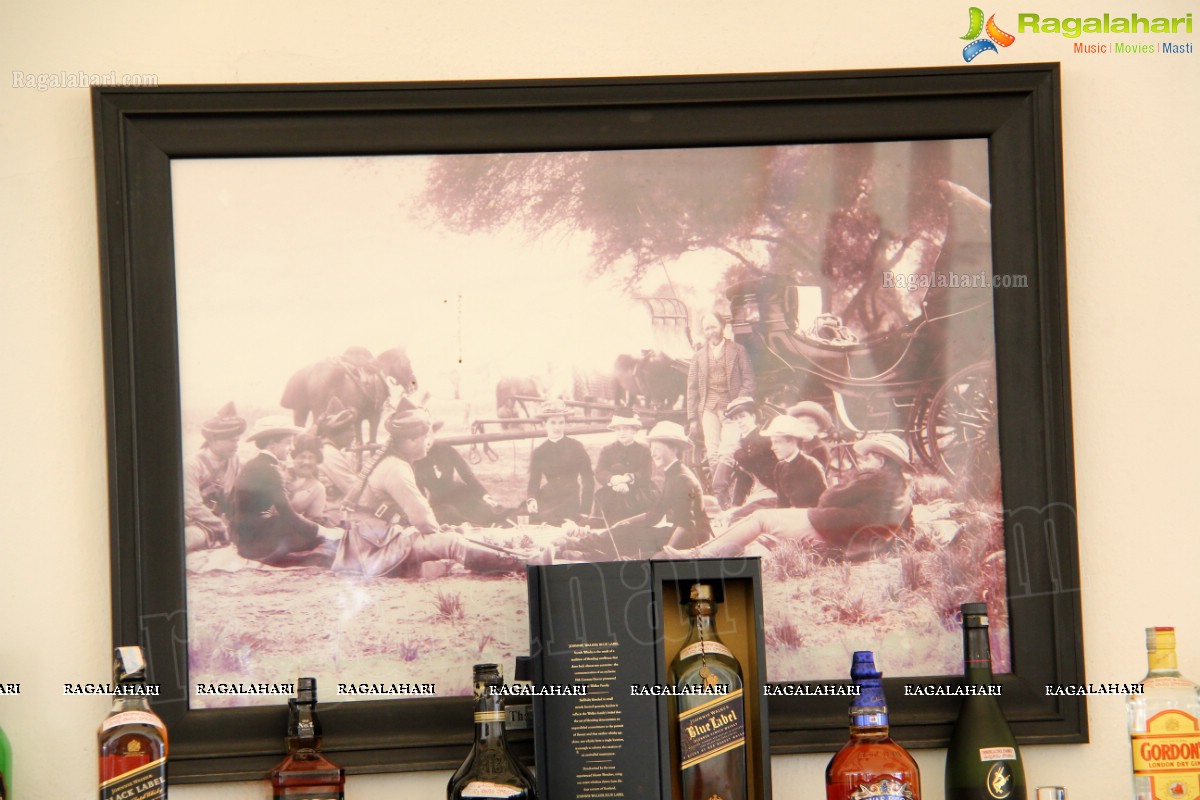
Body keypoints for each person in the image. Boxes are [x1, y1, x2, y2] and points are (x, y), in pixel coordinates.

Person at [333, 398, 522, 577]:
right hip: (372, 550)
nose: (428, 441)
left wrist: (437, 529)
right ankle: (520, 563)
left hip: (370, 543)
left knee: (445, 544)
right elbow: (422, 518)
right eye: (425, 436)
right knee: (453, 543)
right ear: (412, 441)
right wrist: (440, 532)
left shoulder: (394, 462)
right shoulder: (396, 468)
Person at [665, 433, 911, 562]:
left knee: (761, 519)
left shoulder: (871, 478)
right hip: (853, 541)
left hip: (830, 529)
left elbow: (827, 499)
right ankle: (722, 552)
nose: (863, 461)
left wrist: (850, 479)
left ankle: (698, 553)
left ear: (881, 459)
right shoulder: (902, 489)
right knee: (764, 532)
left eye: (868, 457)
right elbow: (905, 527)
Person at [553, 421, 712, 561]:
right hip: (677, 532)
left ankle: (588, 554)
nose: (652, 453)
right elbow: (655, 515)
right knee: (627, 531)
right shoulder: (673, 472)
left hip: (691, 539)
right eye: (651, 448)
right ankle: (578, 546)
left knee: (638, 551)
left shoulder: (682, 478)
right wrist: (625, 523)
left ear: (673, 449)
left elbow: (687, 525)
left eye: (656, 448)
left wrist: (667, 552)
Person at [232, 416, 341, 567]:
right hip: (259, 543)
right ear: (272, 444)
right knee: (327, 541)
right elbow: (288, 515)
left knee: (318, 536)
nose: (291, 448)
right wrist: (322, 531)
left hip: (245, 539)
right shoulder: (270, 470)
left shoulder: (252, 464)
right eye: (287, 443)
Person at [685, 311, 755, 505]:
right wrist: (692, 418)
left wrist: (738, 404)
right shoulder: (699, 356)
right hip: (708, 409)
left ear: (722, 327)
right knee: (713, 452)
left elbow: (748, 380)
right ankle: (722, 499)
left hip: (731, 408)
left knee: (728, 450)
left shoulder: (737, 350)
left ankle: (719, 495)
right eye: (706, 328)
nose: (710, 332)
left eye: (713, 327)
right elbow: (691, 389)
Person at [413, 420, 507, 526]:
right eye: (422, 437)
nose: (427, 440)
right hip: (440, 503)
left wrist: (486, 497)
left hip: (460, 495)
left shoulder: (447, 451)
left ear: (433, 434)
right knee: (450, 514)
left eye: (429, 434)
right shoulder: (415, 461)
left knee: (486, 509)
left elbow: (469, 477)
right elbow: (419, 493)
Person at [183, 402, 245, 552]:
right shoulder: (192, 465)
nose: (237, 445)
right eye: (232, 440)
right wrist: (220, 526)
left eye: (237, 440)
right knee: (189, 539)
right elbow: (192, 507)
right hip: (195, 523)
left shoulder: (235, 461)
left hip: (224, 522)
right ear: (214, 440)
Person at [525, 399, 594, 525]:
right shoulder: (539, 451)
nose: (557, 427)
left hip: (570, 498)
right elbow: (534, 481)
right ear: (544, 423)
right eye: (553, 423)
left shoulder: (576, 447)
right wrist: (531, 499)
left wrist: (585, 510)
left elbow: (588, 480)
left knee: (552, 521)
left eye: (561, 422)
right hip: (547, 496)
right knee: (519, 517)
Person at [591, 411, 657, 524]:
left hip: (637, 490)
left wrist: (627, 479)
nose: (622, 432)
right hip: (613, 489)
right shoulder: (608, 450)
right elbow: (600, 472)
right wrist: (614, 480)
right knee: (605, 506)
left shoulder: (643, 450)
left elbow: (646, 473)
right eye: (618, 429)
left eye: (625, 429)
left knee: (639, 517)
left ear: (634, 430)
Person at [723, 397, 777, 519]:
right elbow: (743, 477)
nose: (739, 422)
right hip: (757, 492)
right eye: (735, 419)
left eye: (742, 416)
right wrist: (736, 504)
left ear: (753, 416)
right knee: (733, 516)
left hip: (772, 491)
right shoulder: (742, 443)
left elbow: (758, 467)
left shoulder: (764, 439)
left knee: (739, 518)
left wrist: (740, 456)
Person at [315, 397, 359, 502]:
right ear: (337, 432)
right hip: (330, 509)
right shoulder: (329, 453)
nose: (354, 435)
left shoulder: (328, 449)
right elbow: (353, 489)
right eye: (350, 430)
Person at [286, 433, 331, 525]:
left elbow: (314, 521)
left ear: (317, 461)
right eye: (302, 457)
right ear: (294, 458)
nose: (306, 462)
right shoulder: (280, 475)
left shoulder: (318, 489)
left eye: (311, 457)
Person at [786, 400, 833, 471]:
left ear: (819, 426)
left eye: (810, 422)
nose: (805, 426)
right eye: (801, 422)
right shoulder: (795, 445)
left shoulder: (820, 449)